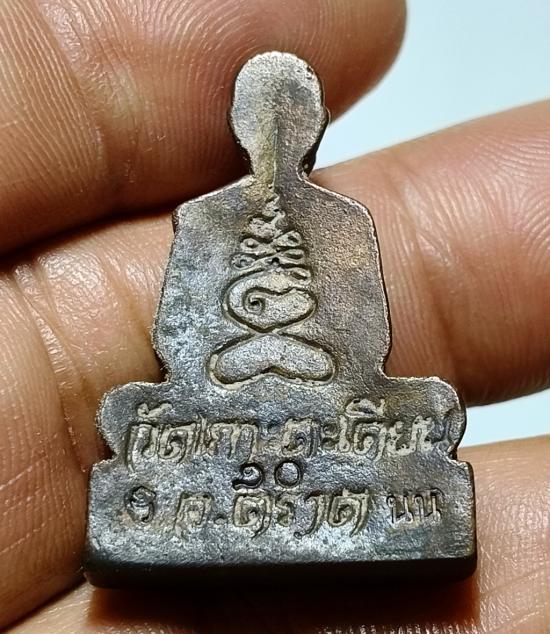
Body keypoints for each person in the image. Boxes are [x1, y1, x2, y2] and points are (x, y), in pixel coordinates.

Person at [0, 1, 547, 632]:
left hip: (332, 411)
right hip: (215, 415)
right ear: (239, 128)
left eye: (294, 123)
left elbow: (365, 348)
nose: (279, 137)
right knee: (138, 414)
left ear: (314, 129)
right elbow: (179, 345)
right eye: (261, 123)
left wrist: (292, 355)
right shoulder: (203, 219)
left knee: (421, 410)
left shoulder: (344, 221)